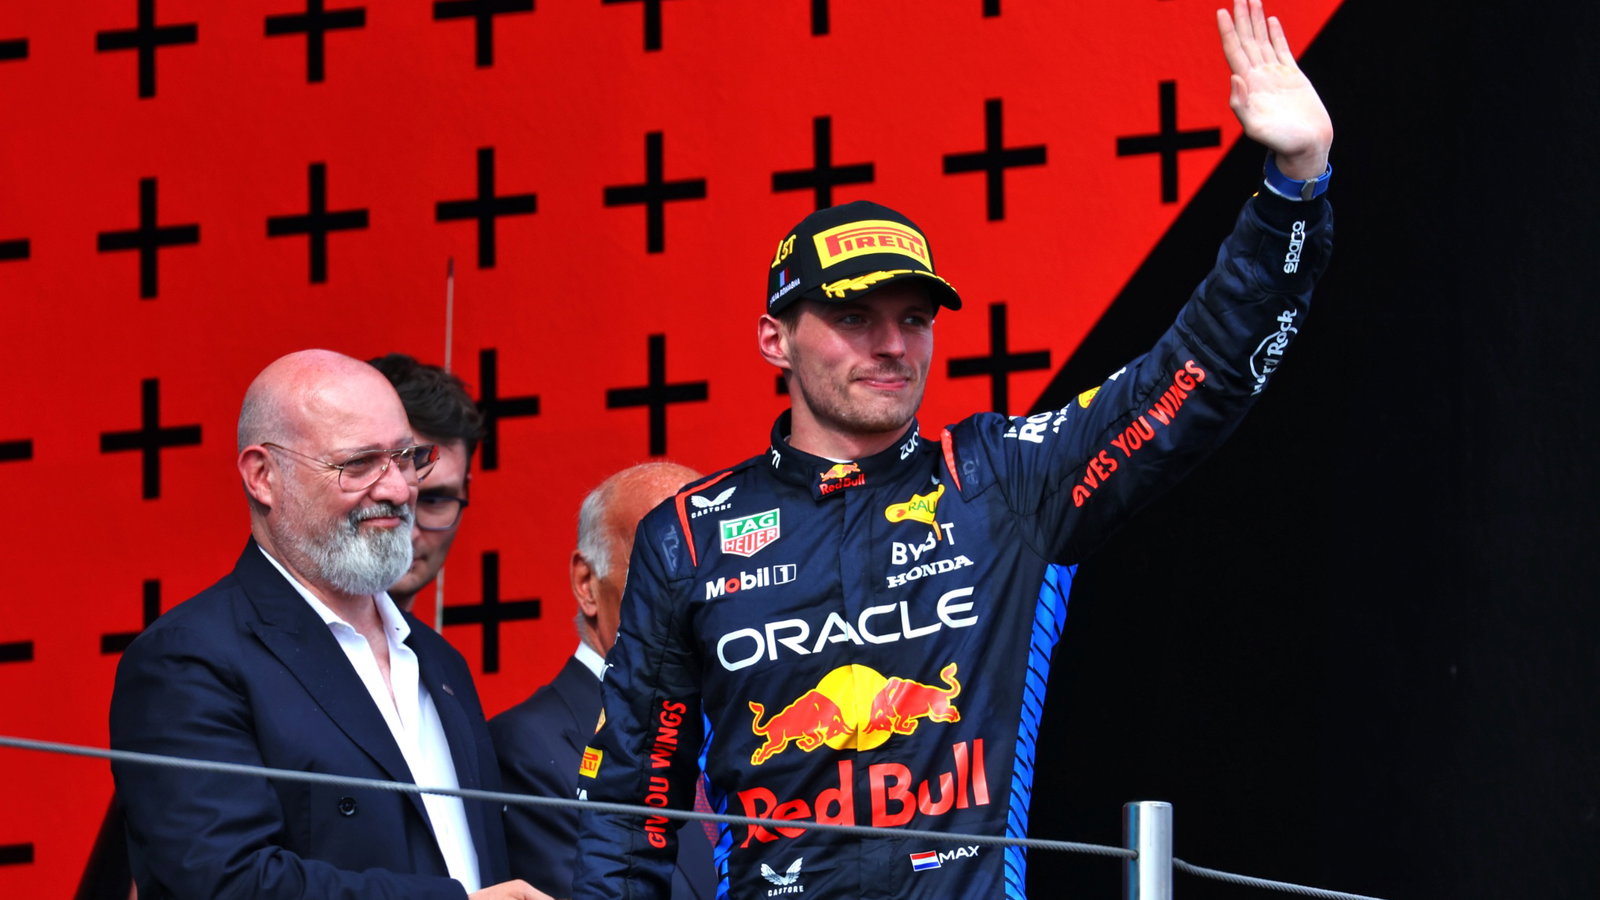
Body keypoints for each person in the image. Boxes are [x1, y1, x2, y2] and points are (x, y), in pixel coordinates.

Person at [573, 2, 1334, 897]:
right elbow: (631, 819)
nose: (891, 345)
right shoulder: (690, 536)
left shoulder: (1003, 481)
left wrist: (1294, 185)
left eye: (913, 319)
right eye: (853, 318)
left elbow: (1194, 376)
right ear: (775, 340)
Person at [108, 349, 549, 900]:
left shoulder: (437, 661)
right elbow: (226, 884)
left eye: (408, 458)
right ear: (264, 476)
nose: (396, 490)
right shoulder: (188, 661)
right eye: (359, 464)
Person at [490, 463, 714, 900]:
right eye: (662, 566)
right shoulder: (527, 751)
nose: (696, 591)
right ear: (587, 584)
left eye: (713, 565)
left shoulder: (747, 725)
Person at [368, 353, 486, 614]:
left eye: (434, 500)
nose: (409, 533)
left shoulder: (440, 655)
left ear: (466, 490)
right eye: (386, 499)